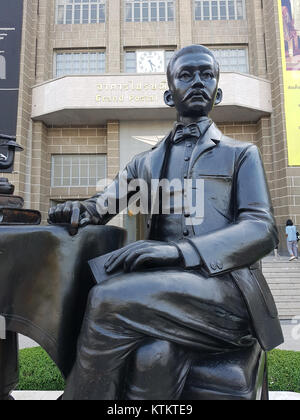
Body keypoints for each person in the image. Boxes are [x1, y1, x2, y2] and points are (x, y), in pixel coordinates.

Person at [48, 45, 283, 400]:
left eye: (206, 74)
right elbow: (101, 205)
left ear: (217, 92)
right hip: (161, 295)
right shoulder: (143, 163)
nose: (198, 82)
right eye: (186, 75)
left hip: (228, 293)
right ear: (168, 93)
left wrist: (179, 252)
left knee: (107, 297)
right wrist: (78, 209)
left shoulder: (242, 154)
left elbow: (262, 229)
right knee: (153, 356)